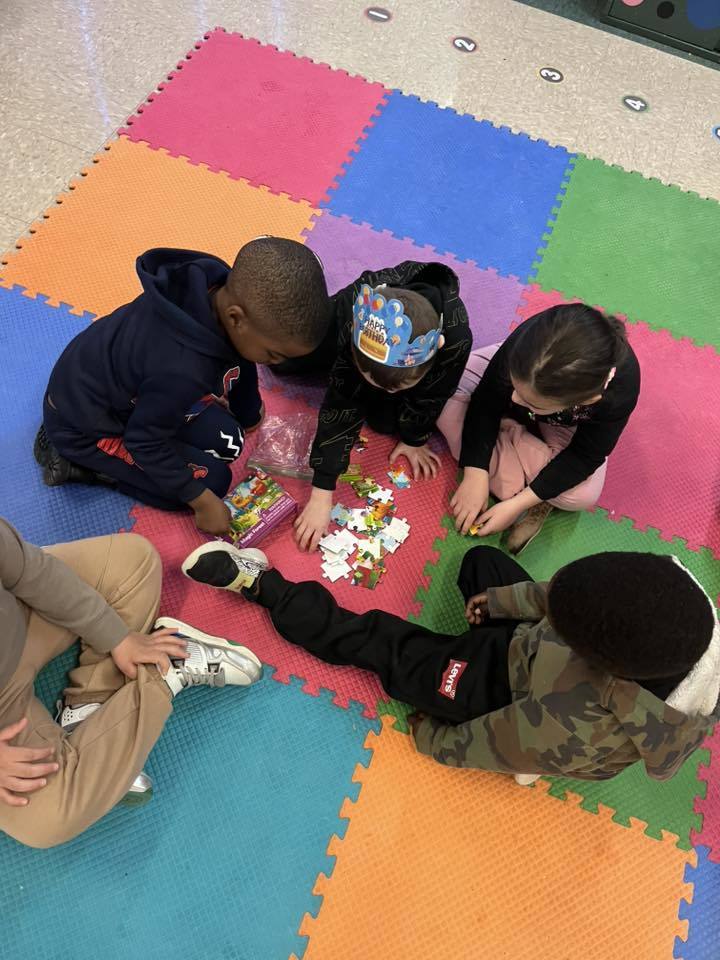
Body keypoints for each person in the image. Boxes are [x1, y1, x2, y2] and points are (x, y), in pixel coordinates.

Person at [181, 540, 719, 781]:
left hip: (508, 699)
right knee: (480, 563)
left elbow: (500, 744)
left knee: (381, 642)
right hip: (537, 655)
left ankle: (262, 585)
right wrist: (505, 603)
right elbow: (563, 596)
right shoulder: (675, 606)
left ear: (599, 658)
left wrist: (435, 739)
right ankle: (500, 617)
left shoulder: (571, 721)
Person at [35, 237, 331, 536]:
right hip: (86, 427)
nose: (275, 364)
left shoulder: (215, 289)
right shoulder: (181, 371)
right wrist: (200, 502)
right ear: (235, 318)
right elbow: (144, 442)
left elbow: (239, 358)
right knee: (212, 484)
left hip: (138, 397)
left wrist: (248, 411)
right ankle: (82, 466)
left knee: (232, 440)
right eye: (273, 355)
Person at [0, 518, 263, 849]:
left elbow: (29, 571)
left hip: (20, 622)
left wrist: (116, 636)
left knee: (133, 562)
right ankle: (168, 670)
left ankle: (88, 711)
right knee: (48, 820)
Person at [279, 261, 472, 551]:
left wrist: (414, 439)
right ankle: (301, 274)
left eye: (394, 386)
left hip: (399, 354)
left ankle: (384, 380)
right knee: (285, 360)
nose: (378, 389)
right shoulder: (353, 315)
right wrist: (323, 491)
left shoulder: (455, 340)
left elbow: (434, 394)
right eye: (368, 377)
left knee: (386, 422)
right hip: (344, 321)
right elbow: (339, 405)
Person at [438, 303, 641, 553]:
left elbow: (585, 457)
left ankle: (513, 470)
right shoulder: (528, 348)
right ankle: (521, 474)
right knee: (439, 392)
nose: (512, 401)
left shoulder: (617, 394)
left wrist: (517, 504)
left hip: (565, 422)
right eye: (514, 389)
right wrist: (475, 472)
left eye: (528, 401)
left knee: (582, 496)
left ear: (585, 401)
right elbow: (488, 400)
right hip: (529, 381)